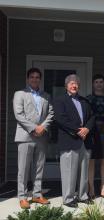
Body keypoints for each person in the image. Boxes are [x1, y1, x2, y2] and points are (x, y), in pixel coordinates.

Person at [13, 68, 54, 209]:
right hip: (25, 136)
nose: (35, 79)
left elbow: (51, 113)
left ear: (40, 79)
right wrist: (34, 128)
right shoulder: (20, 94)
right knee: (23, 169)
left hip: (41, 137)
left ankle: (37, 195)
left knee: (38, 168)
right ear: (27, 79)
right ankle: (22, 197)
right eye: (32, 77)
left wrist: (42, 127)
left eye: (37, 77)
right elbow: (19, 115)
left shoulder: (46, 96)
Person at [54, 74, 95, 208]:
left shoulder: (84, 101)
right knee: (68, 171)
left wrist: (87, 129)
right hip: (70, 140)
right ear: (66, 86)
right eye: (71, 83)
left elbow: (92, 117)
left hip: (85, 140)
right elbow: (61, 119)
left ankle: (82, 195)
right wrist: (78, 130)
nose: (74, 85)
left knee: (84, 171)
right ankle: (68, 198)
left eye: (76, 83)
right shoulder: (60, 100)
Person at [87, 74, 104, 199]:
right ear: (93, 84)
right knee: (91, 162)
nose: (99, 84)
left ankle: (103, 188)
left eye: (101, 82)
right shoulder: (88, 99)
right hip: (92, 133)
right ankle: (91, 188)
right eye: (96, 82)